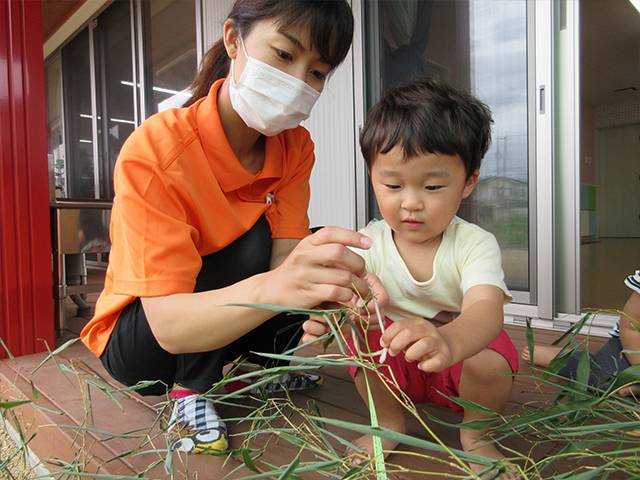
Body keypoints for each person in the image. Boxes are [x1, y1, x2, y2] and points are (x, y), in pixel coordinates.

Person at [79, 0, 373, 456]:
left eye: (317, 73)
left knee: (311, 246)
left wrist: (330, 292)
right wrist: (289, 283)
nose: (298, 82)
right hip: (147, 343)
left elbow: (287, 260)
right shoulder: (158, 151)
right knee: (252, 242)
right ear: (235, 40)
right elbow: (170, 324)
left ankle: (262, 367)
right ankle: (191, 392)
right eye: (283, 55)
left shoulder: (294, 147)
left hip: (220, 311)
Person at [302, 79, 519, 473]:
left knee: (493, 357)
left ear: (469, 182)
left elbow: (486, 310)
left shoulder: (474, 243)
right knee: (360, 337)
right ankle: (388, 423)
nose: (411, 203)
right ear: (372, 177)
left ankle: (478, 434)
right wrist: (330, 313)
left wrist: (449, 342)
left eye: (433, 186)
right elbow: (344, 294)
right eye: (393, 184)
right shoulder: (367, 243)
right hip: (395, 364)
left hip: (458, 364)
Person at [522, 271, 640, 396]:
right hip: (631, 345)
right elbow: (630, 327)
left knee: (623, 382)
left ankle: (635, 387)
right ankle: (561, 358)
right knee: (605, 378)